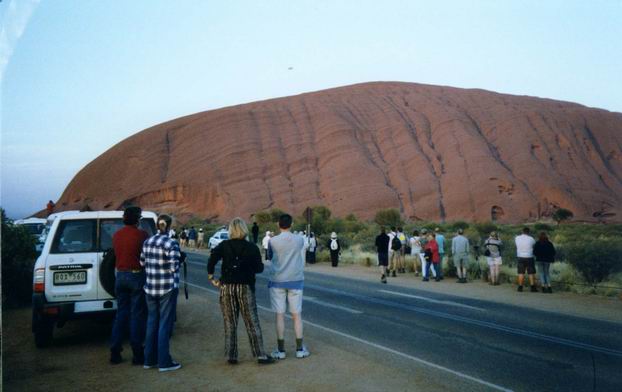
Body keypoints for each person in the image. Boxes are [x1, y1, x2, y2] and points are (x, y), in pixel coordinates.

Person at [207, 218, 274, 365]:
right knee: (252, 322)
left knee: (230, 322)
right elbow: (259, 268)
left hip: (226, 287)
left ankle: (231, 355)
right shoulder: (252, 247)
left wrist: (211, 277)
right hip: (245, 287)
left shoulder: (223, 245)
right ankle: (260, 355)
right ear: (244, 229)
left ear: (231, 230)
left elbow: (212, 258)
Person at [140, 214, 182, 372]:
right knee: (165, 324)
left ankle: (149, 360)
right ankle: (164, 362)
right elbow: (173, 267)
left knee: (152, 323)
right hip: (167, 288)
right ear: (169, 226)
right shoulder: (171, 243)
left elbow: (142, 262)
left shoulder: (147, 242)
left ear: (157, 226)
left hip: (150, 288)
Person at [109, 206, 149, 365]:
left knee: (121, 315)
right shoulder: (142, 235)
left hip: (120, 275)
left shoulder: (116, 235)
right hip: (136, 275)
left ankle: (115, 351)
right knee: (136, 315)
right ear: (137, 219)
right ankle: (138, 354)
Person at [268, 214, 310, 359]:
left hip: (277, 280)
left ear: (278, 224)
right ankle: (299, 349)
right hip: (296, 280)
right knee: (296, 315)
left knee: (279, 315)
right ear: (291, 224)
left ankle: (280, 350)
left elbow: (269, 256)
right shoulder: (299, 239)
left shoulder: (272, 241)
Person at [515, 227, 537, 292]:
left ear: (522, 231)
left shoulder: (517, 238)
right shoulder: (531, 239)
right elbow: (533, 245)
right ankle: (532, 287)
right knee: (531, 272)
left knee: (521, 272)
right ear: (528, 232)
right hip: (529, 257)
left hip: (520, 256)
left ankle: (520, 287)